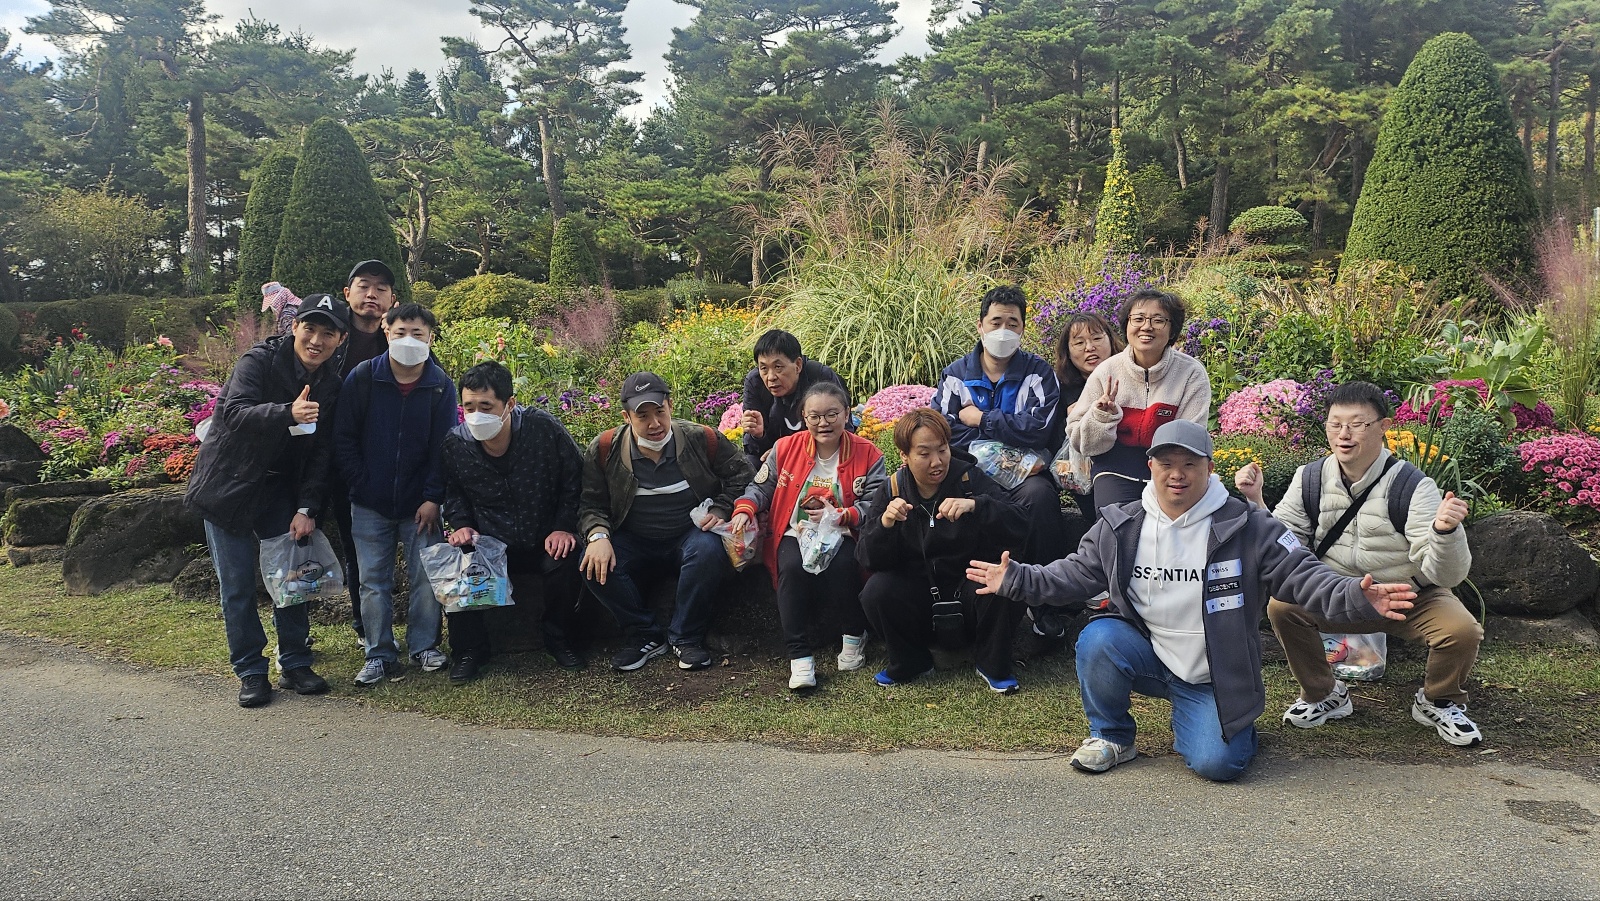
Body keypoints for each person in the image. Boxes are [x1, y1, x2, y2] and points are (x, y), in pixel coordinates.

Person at [967, 419, 1419, 781]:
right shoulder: (1121, 524)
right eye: (1166, 463)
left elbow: (1304, 576)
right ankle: (1112, 737)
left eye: (1190, 464)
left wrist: (1356, 598)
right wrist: (1016, 579)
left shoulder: (1249, 527)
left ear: (1209, 467)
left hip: (1212, 674)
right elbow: (1073, 574)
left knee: (1219, 765)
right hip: (1148, 653)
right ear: (1151, 467)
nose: (1177, 474)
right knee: (1099, 637)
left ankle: (1215, 723)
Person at [1235, 381, 1482, 746]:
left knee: (1461, 630)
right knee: (1283, 607)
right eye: (1335, 424)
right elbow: (1284, 542)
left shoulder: (1414, 486)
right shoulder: (1311, 477)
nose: (1344, 434)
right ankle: (1324, 694)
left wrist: (1445, 532)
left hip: (1404, 595)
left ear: (1383, 427)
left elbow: (1446, 574)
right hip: (1337, 594)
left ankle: (1438, 699)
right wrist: (1255, 502)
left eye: (1357, 424)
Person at [184, 294, 349, 707]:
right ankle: (251, 671)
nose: (316, 339)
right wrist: (287, 413)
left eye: (327, 332)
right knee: (237, 585)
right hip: (229, 485)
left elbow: (322, 450)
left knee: (292, 579)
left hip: (279, 490)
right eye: (309, 328)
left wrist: (308, 507)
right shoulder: (256, 362)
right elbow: (233, 414)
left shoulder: (332, 383)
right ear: (294, 327)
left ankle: (295, 662)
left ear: (341, 339)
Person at [580, 372, 755, 672]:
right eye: (643, 416)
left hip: (688, 535)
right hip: (633, 538)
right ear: (626, 417)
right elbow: (591, 503)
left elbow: (743, 475)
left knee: (709, 551)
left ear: (670, 407)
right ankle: (644, 635)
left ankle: (686, 637)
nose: (654, 424)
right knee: (591, 563)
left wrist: (723, 509)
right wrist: (598, 536)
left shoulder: (702, 438)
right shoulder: (606, 448)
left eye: (660, 412)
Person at [856, 408, 1029, 693]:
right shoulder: (893, 489)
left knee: (1002, 579)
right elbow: (867, 558)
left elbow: (1021, 523)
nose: (937, 462)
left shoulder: (969, 480)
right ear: (904, 455)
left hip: (970, 589)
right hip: (919, 597)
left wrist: (977, 506)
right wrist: (885, 524)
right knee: (877, 590)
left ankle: (993, 665)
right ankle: (910, 662)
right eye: (924, 454)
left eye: (943, 450)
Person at [729, 382, 887, 690]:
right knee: (790, 568)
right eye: (814, 416)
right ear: (804, 416)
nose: (823, 423)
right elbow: (762, 487)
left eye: (831, 414)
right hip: (795, 529)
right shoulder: (786, 449)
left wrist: (845, 515)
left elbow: (875, 502)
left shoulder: (868, 453)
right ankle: (799, 657)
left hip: (844, 531)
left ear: (846, 414)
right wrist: (744, 509)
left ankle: (854, 634)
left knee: (843, 565)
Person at [334, 303, 457, 686]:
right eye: (401, 331)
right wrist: (361, 484)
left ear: (430, 338)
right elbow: (344, 438)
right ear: (385, 331)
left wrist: (432, 497)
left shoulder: (440, 384)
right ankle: (379, 653)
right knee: (372, 579)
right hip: (369, 502)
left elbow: (445, 446)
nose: (408, 340)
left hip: (420, 505)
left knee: (425, 577)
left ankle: (424, 646)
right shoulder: (364, 377)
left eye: (418, 334)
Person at [441, 361, 587, 681]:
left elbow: (575, 478)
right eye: (468, 407)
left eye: (486, 406)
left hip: (543, 533)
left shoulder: (542, 429)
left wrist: (563, 525)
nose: (476, 415)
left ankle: (559, 638)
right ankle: (469, 651)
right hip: (492, 539)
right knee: (458, 558)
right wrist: (461, 523)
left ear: (510, 404)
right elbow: (453, 492)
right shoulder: (456, 444)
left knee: (567, 557)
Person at [929, 284, 1066, 565]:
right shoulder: (955, 375)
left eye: (1012, 323)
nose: (1004, 330)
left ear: (1022, 330)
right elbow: (944, 430)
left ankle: (1047, 596)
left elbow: (1037, 428)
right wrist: (1001, 441)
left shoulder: (1038, 374)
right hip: (969, 472)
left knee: (1040, 498)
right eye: (996, 322)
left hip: (1025, 475)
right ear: (980, 326)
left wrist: (981, 419)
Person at [1067, 289, 1210, 512]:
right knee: (1116, 525)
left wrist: (1167, 468)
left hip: (1172, 471)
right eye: (1138, 319)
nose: (1146, 327)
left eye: (1158, 320)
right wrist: (1102, 417)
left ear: (1172, 329)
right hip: (1115, 469)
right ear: (1127, 325)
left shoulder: (1191, 373)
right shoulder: (1107, 371)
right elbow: (1082, 442)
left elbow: (1191, 436)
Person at [1034, 311, 1124, 640]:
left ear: (1111, 341)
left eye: (1097, 338)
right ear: (1068, 352)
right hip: (1081, 474)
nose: (1090, 348)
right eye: (1079, 342)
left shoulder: (1125, 375)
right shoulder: (1062, 389)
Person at [334, 259, 397, 642]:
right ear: (348, 293)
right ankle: (294, 637)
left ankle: (365, 626)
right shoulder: (330, 335)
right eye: (363, 285)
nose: (371, 294)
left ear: (393, 298)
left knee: (360, 546)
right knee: (301, 543)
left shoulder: (398, 339)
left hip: (373, 462)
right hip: (322, 455)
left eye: (381, 288)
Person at [740, 329, 848, 469]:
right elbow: (753, 450)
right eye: (764, 368)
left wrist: (787, 451)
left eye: (778, 367)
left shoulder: (819, 376)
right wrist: (758, 435)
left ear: (798, 365)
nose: (771, 377)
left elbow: (844, 431)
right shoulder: (755, 382)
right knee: (750, 466)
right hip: (773, 457)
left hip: (819, 456)